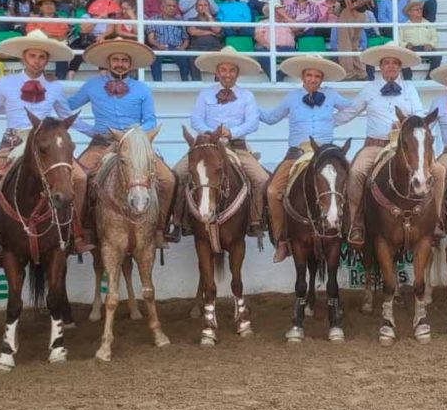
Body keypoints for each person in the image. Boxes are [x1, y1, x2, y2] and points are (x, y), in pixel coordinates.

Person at [0, 30, 96, 254]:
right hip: (14, 140)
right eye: (33, 56)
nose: (37, 61)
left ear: (47, 60)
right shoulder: (6, 83)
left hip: (45, 144)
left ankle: (72, 233)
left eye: (42, 57)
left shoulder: (55, 87)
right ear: (24, 57)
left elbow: (67, 116)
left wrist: (95, 134)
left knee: (79, 177)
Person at [333, 44, 446, 247]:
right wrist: (326, 121)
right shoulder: (369, 89)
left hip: (404, 147)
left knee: (438, 171)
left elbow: (420, 115)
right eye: (387, 63)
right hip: (375, 145)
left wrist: (407, 122)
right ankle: (356, 223)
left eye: (395, 63)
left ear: (400, 67)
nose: (391, 67)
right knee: (356, 172)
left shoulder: (410, 88)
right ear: (380, 67)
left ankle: (435, 220)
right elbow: (349, 112)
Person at [70, 38, 176, 246]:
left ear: (131, 64)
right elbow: (67, 107)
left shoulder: (142, 89)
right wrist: (87, 130)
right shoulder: (92, 85)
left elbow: (150, 120)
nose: (120, 63)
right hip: (100, 143)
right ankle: (82, 230)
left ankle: (160, 229)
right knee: (80, 178)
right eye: (116, 59)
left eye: (124, 60)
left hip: (135, 145)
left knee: (168, 180)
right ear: (108, 62)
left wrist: (132, 137)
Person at [168, 46, 270, 240]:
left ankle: (255, 221)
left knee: (261, 179)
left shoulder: (247, 95)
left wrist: (231, 132)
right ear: (217, 72)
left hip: (236, 146)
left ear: (237, 73)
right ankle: (178, 222)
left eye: (232, 70)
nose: (227, 74)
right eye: (223, 70)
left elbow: (253, 123)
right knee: (177, 174)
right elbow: (196, 119)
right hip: (207, 145)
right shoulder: (205, 94)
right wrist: (210, 133)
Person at [259, 55, 351, 262]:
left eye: (317, 76)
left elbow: (353, 108)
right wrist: (248, 108)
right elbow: (271, 118)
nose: (313, 79)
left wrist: (334, 122)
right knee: (273, 191)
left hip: (326, 154)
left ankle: (351, 232)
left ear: (322, 79)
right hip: (297, 153)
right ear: (302, 77)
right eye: (309, 75)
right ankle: (281, 240)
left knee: (352, 183)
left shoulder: (332, 95)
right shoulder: (291, 97)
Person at [147, 0, 195, 82]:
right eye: (169, 6)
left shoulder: (180, 21)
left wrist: (182, 48)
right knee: (154, 56)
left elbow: (186, 39)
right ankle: (158, 83)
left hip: (176, 48)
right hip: (159, 46)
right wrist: (158, 45)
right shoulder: (154, 19)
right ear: (162, 7)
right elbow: (151, 38)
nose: (172, 8)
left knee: (184, 57)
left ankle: (185, 82)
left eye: (174, 6)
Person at [399, 0, 441, 79]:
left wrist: (430, 44)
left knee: (438, 56)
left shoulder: (428, 24)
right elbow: (399, 40)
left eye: (420, 9)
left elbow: (435, 38)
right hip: (411, 49)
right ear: (409, 12)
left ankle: (430, 79)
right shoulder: (403, 26)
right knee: (402, 56)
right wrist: (406, 44)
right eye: (416, 9)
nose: (419, 11)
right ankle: (408, 79)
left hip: (426, 48)